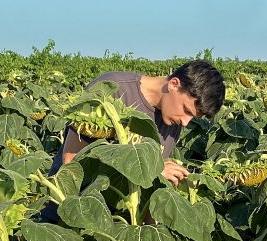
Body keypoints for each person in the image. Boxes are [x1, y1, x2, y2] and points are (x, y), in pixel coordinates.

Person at [41, 60, 225, 221]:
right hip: (70, 213)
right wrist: (153, 170)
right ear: (174, 84)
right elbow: (72, 161)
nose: (185, 122)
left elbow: (152, 181)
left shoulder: (172, 118)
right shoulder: (112, 89)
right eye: (186, 110)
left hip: (119, 222)